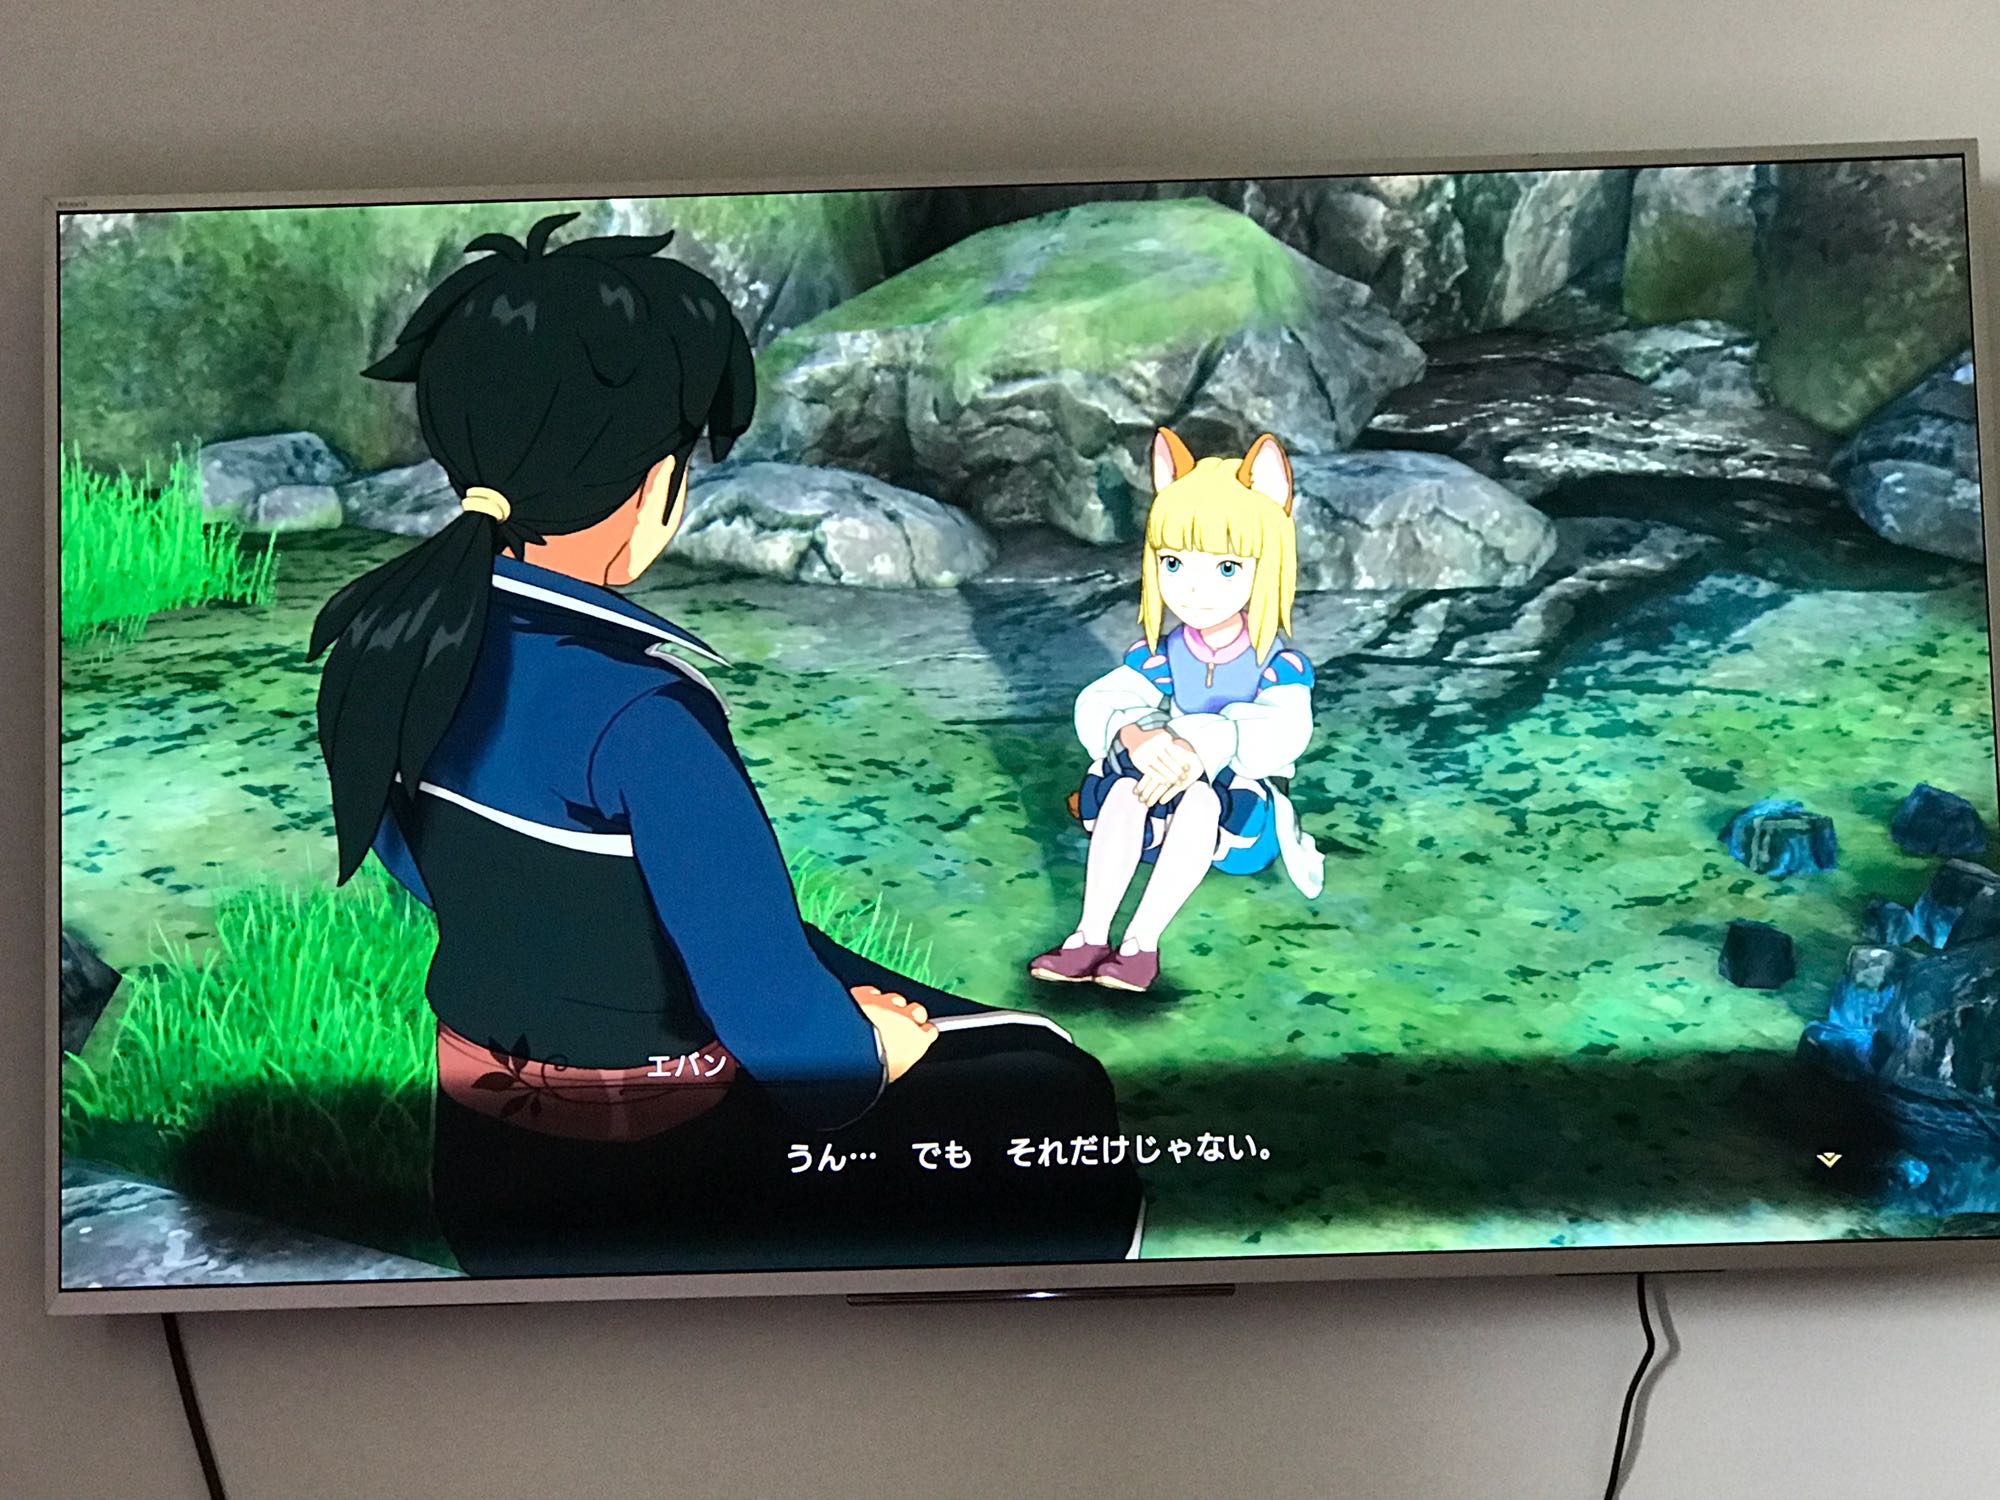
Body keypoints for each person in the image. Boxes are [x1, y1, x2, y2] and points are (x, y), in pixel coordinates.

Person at [311, 212, 1142, 1276]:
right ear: (654, 485)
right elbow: (784, 1039)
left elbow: (424, 869)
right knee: (1052, 1088)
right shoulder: (643, 716)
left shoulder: (386, 646)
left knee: (849, 973)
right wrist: (872, 1051)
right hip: (654, 1195)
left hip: (481, 1177)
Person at [1029, 428, 1323, 995]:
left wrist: (1200, 746)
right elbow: (1105, 699)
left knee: (1201, 800)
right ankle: (1089, 936)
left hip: (1239, 814)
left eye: (1226, 568)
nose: (1192, 589)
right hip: (1160, 792)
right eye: (1173, 563)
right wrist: (1135, 735)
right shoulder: (1165, 653)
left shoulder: (1276, 664)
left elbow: (1287, 730)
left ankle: (1140, 945)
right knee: (1122, 790)